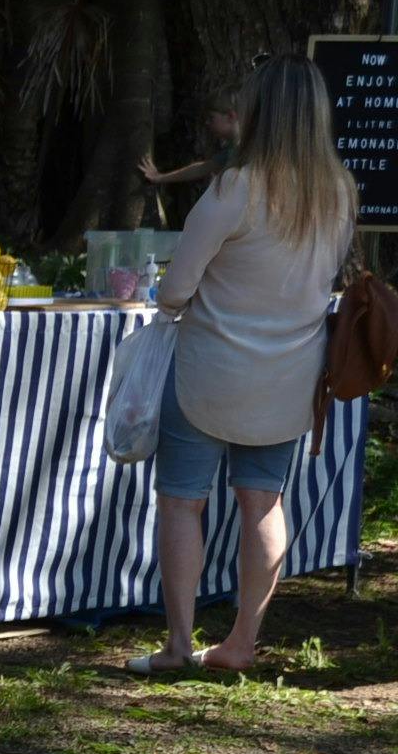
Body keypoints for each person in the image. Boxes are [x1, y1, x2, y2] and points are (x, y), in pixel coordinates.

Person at [125, 54, 354, 678]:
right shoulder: (340, 191)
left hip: (207, 373)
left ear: (259, 112)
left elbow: (175, 292)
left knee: (182, 503)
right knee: (263, 503)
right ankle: (242, 643)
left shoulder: (236, 188)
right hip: (289, 377)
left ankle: (178, 645)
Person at [140, 82, 243, 188]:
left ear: (230, 116)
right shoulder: (231, 150)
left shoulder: (247, 149)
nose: (207, 123)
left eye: (211, 118)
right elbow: (202, 168)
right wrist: (159, 178)